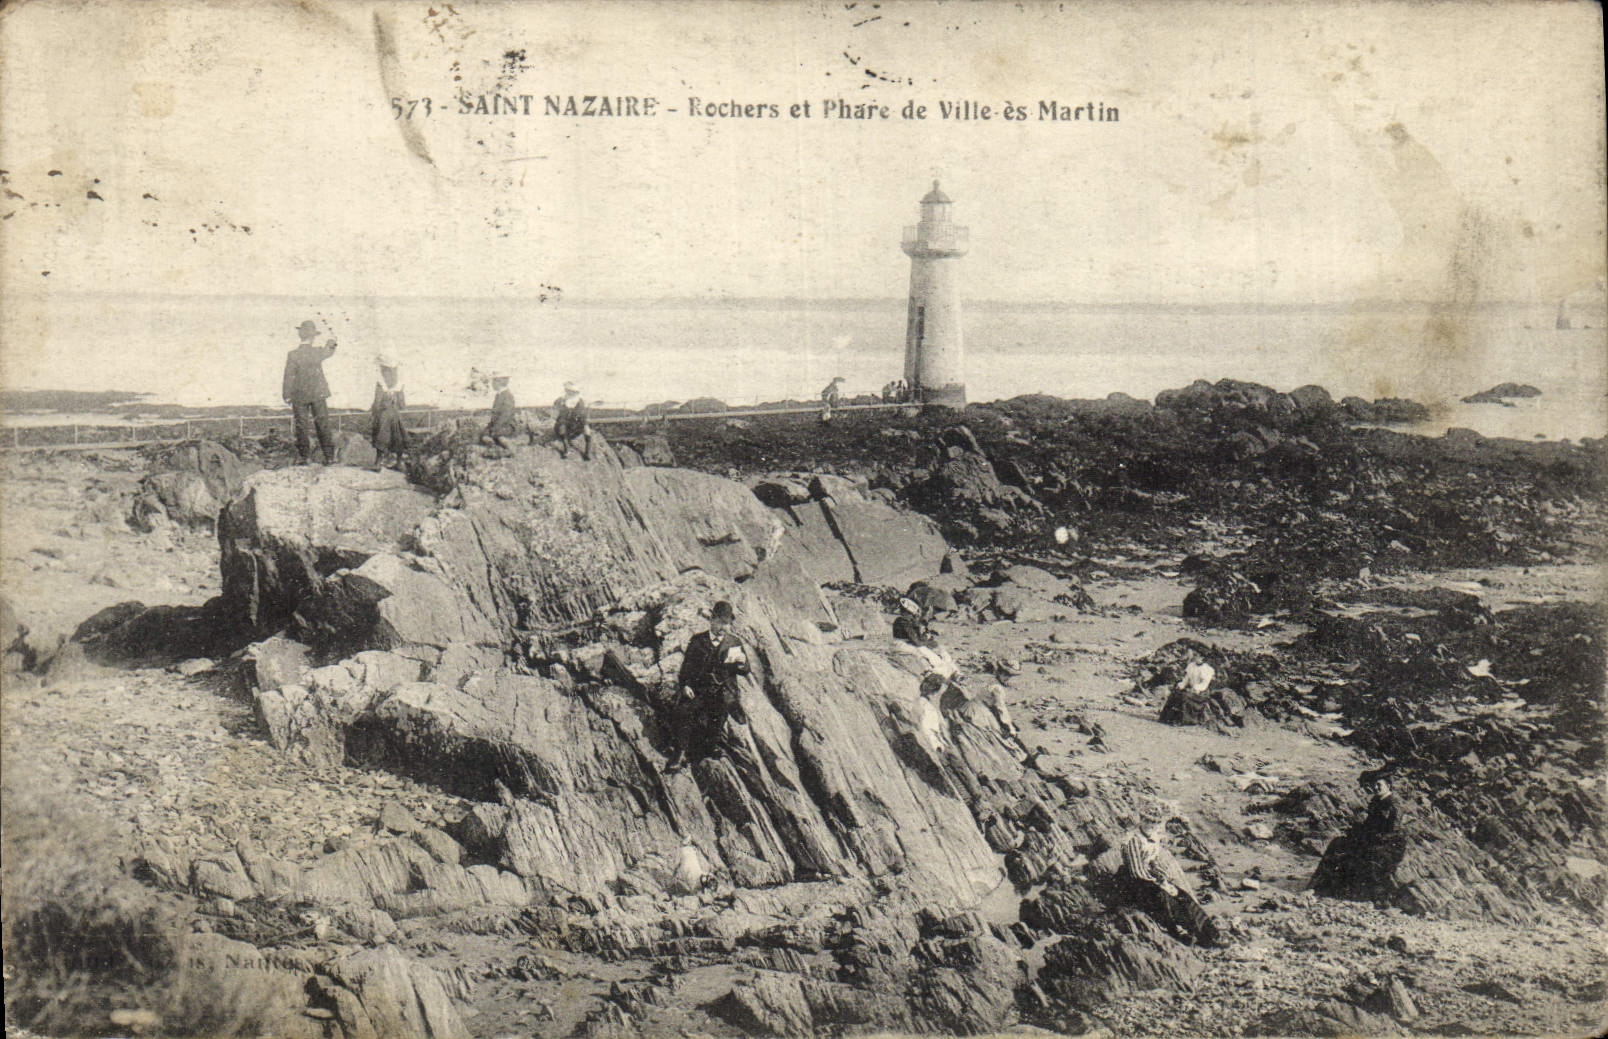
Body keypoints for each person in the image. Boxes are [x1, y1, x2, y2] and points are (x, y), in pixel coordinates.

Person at [1108, 802, 1221, 946]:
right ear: (1141, 819)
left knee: (1182, 895)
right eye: (1147, 820)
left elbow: (1152, 862)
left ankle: (1210, 932)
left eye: (1155, 822)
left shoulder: (1154, 837)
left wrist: (1163, 877)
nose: (1151, 824)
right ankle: (1180, 932)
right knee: (1165, 899)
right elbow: (1136, 871)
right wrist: (1158, 882)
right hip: (1134, 882)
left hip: (1148, 875)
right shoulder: (1134, 840)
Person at [666, 601, 750, 769]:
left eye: (726, 623)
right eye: (719, 622)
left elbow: (746, 669)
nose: (722, 627)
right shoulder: (698, 641)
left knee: (718, 718)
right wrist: (686, 686)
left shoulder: (734, 643)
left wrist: (741, 664)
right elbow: (686, 668)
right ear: (711, 620)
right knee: (684, 712)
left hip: (723, 691)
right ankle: (679, 752)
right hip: (700, 690)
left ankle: (710, 747)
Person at [282, 320, 338, 465]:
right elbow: (330, 350)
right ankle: (330, 457)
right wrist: (333, 341)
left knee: (301, 425)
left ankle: (304, 457)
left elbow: (288, 376)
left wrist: (286, 395)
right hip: (318, 393)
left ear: (300, 336)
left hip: (299, 395)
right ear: (313, 337)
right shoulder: (317, 352)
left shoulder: (293, 354)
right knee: (323, 423)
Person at [369, 354, 407, 468]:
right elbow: (401, 400)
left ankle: (378, 462)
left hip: (385, 410)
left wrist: (375, 410)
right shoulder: (397, 381)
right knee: (397, 434)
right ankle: (398, 462)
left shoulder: (382, 381)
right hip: (393, 411)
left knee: (382, 433)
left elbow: (378, 399)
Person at [553, 381, 593, 460]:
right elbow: (558, 412)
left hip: (575, 427)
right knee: (562, 425)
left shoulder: (580, 402)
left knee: (586, 427)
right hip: (564, 426)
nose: (571, 393)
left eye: (573, 391)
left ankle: (587, 452)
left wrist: (583, 422)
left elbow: (583, 416)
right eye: (569, 391)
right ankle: (566, 449)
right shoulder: (562, 400)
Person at [481, 371, 520, 450]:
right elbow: (495, 416)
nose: (492, 384)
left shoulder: (507, 395)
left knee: (498, 436)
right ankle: (495, 446)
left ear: (499, 382)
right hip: (498, 425)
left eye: (493, 381)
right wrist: (490, 427)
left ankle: (509, 447)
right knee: (484, 435)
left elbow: (505, 415)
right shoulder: (499, 395)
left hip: (507, 426)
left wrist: (495, 428)